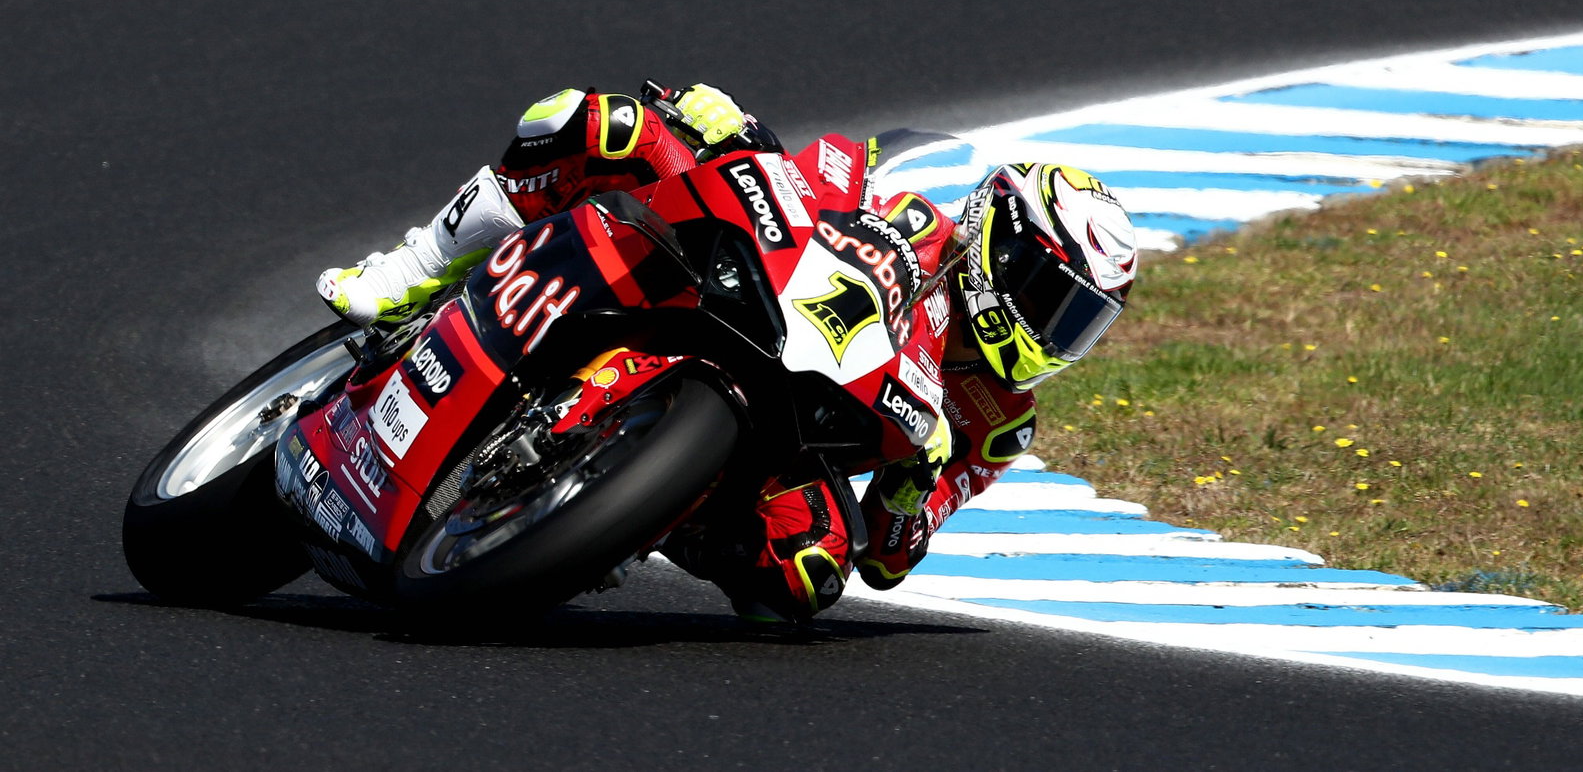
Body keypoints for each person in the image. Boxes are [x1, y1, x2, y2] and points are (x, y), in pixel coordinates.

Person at [319, 83, 1138, 624]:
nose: (1055, 334)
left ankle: (621, 516)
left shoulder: (999, 422)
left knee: (807, 578)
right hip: (741, 291)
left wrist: (909, 487)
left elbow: (892, 560)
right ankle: (414, 271)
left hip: (792, 442)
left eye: (1081, 324)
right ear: (1003, 244)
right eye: (1052, 301)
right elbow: (814, 178)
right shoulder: (914, 202)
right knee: (606, 124)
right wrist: (735, 133)